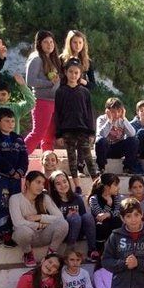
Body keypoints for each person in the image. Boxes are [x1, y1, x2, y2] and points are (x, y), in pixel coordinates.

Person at [54, 58, 98, 193]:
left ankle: (97, 184)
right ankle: (77, 185)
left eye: (76, 73)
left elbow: (89, 113)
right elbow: (58, 114)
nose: (73, 75)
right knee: (72, 158)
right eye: (71, 72)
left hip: (83, 129)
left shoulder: (84, 92)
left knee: (88, 157)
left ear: (80, 74)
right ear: (66, 73)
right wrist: (59, 134)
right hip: (67, 130)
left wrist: (91, 132)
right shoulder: (60, 91)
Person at [8, 171, 68, 267]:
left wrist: (40, 217)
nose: (41, 186)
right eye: (38, 182)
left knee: (63, 224)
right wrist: (40, 225)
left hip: (44, 235)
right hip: (26, 237)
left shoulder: (45, 198)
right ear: (27, 183)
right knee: (23, 230)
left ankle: (51, 252)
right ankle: (28, 253)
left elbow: (59, 218)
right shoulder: (15, 199)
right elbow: (18, 223)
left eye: (43, 183)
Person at [0, 107, 28, 246]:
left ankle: (16, 230)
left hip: (16, 178)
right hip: (1, 177)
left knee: (15, 203)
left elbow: (24, 157)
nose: (11, 124)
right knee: (2, 203)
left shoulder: (18, 138)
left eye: (12, 121)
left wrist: (21, 171)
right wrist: (10, 170)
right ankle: (4, 232)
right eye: (7, 121)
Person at [48, 170, 99, 262]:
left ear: (68, 182)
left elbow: (84, 217)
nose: (63, 185)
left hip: (78, 230)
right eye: (58, 184)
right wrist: (67, 218)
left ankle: (92, 250)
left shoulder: (77, 198)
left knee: (87, 216)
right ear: (54, 187)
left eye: (64, 181)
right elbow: (51, 222)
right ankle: (70, 249)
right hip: (63, 233)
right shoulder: (51, 201)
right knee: (74, 218)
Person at [25, 31, 61, 154]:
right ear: (39, 43)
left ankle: (48, 168)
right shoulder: (36, 58)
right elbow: (30, 80)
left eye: (51, 42)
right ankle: (18, 158)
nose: (49, 45)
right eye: (45, 42)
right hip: (42, 101)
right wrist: (50, 83)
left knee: (48, 137)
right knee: (38, 134)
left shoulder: (50, 58)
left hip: (53, 102)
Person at [95, 97, 142, 174]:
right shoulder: (101, 119)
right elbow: (101, 135)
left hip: (117, 149)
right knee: (100, 140)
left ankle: (128, 168)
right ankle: (101, 168)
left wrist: (123, 118)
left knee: (134, 140)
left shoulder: (122, 120)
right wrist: (109, 121)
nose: (116, 114)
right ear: (107, 111)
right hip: (105, 149)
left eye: (119, 111)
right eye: (113, 112)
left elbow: (132, 134)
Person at [89, 173, 122, 253]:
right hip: (100, 226)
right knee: (102, 225)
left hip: (113, 224)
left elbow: (118, 211)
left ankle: (116, 249)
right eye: (115, 185)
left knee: (117, 221)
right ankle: (99, 251)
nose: (118, 188)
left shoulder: (117, 197)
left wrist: (109, 214)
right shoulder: (94, 199)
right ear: (107, 187)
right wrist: (108, 204)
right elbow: (100, 215)